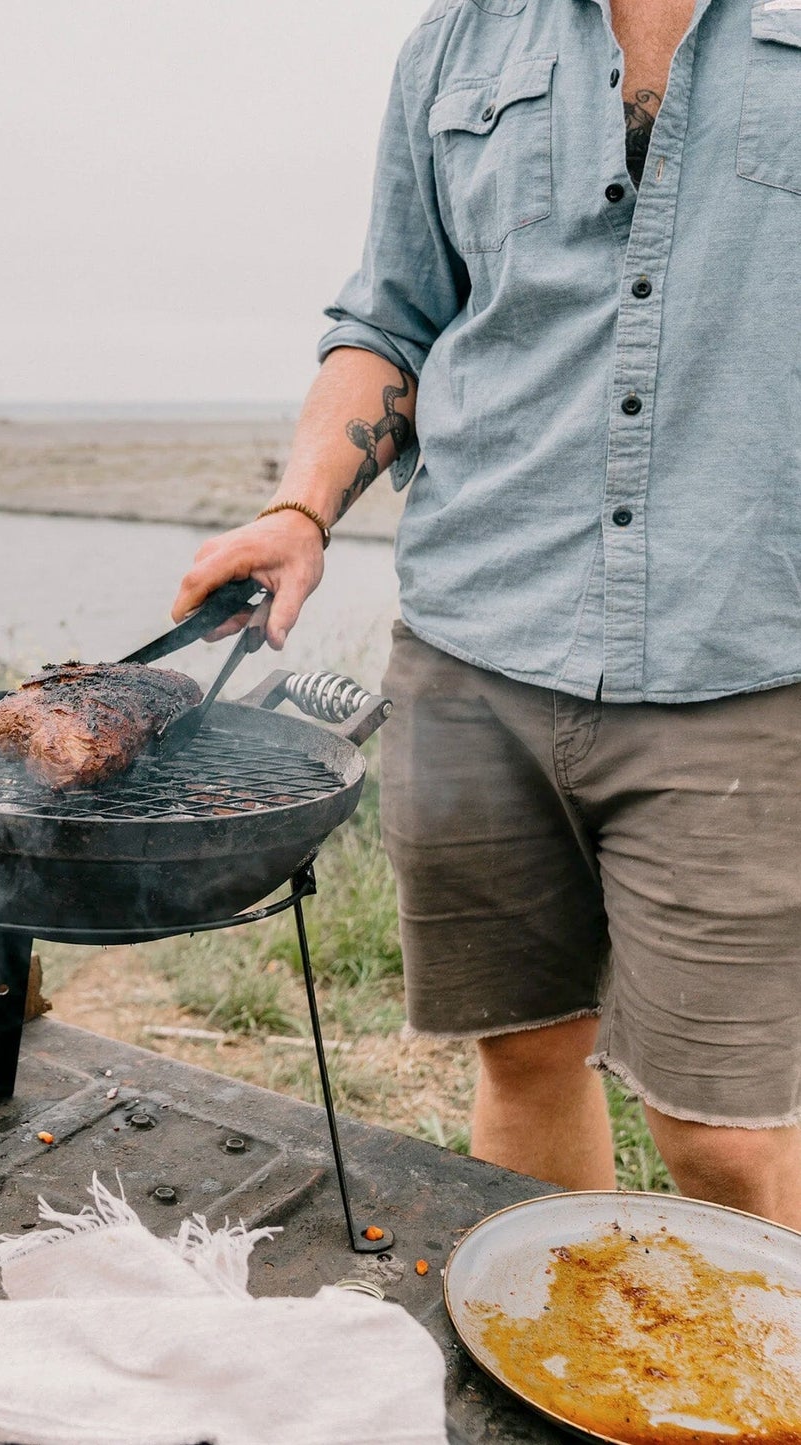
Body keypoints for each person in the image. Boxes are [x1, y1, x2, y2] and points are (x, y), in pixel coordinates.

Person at [173, 0, 801, 1227]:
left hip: (742, 665)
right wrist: (299, 511)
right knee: (520, 1057)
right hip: (469, 655)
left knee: (724, 1136)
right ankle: (571, 1372)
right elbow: (389, 318)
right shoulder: (457, 43)